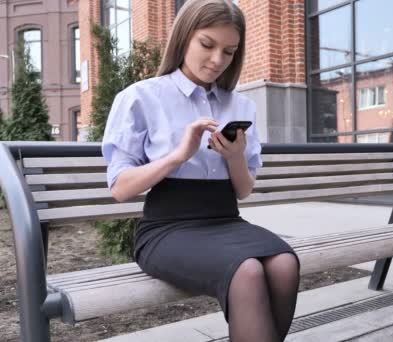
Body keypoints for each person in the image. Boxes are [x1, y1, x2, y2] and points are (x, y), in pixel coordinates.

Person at [101, 1, 300, 341]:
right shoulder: (140, 97)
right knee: (247, 271)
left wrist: (235, 157)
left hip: (225, 219)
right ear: (183, 38)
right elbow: (120, 188)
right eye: (207, 45)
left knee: (284, 264)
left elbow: (243, 190)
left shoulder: (240, 105)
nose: (217, 60)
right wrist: (177, 156)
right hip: (167, 227)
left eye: (229, 51)